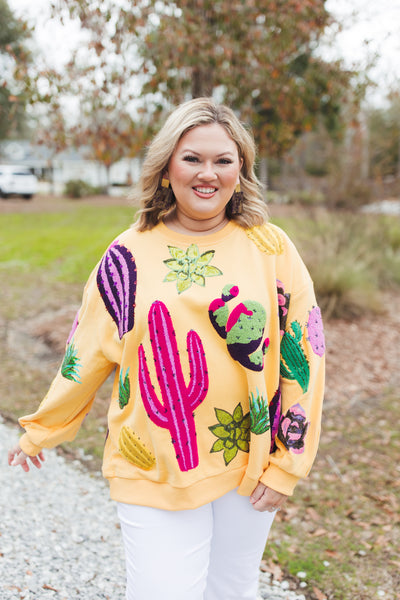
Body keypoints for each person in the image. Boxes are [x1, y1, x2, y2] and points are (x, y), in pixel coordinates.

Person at [8, 97, 325, 600]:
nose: (208, 173)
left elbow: (304, 354)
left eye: (224, 160)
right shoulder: (127, 254)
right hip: (152, 460)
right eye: (192, 158)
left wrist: (289, 462)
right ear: (165, 168)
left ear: (241, 170)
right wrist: (43, 429)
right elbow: (85, 351)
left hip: (249, 457)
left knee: (232, 590)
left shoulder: (271, 248)